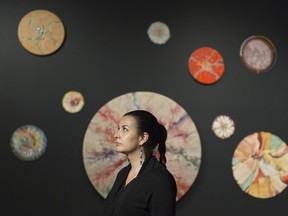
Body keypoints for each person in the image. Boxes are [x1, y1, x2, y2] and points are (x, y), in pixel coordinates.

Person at [104, 110, 177, 216]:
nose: (116, 135)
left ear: (142, 138)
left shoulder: (161, 179)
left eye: (125, 129)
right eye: (118, 129)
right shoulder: (123, 174)